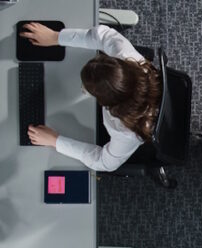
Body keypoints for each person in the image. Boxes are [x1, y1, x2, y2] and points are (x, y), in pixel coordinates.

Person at [20, 23, 161, 172]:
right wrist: (56, 37)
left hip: (136, 124)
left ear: (106, 103)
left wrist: (56, 141)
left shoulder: (127, 131)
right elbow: (102, 35)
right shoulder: (125, 57)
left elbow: (105, 163)